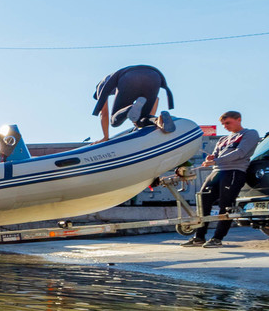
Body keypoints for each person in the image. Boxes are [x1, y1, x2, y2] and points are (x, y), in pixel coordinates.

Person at [185, 110, 258, 248]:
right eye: (223, 124)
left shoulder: (249, 133)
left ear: (239, 119)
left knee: (226, 205)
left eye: (228, 122)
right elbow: (215, 155)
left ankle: (217, 238)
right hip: (216, 172)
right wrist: (211, 159)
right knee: (202, 201)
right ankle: (199, 236)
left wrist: (217, 160)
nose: (225, 126)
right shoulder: (223, 139)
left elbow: (240, 153)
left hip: (234, 172)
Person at [93, 64, 175, 139]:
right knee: (143, 119)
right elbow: (156, 99)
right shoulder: (114, 80)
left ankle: (129, 109)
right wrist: (145, 123)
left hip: (129, 77)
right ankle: (158, 120)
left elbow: (103, 113)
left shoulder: (100, 86)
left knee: (114, 121)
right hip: (154, 76)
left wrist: (105, 137)